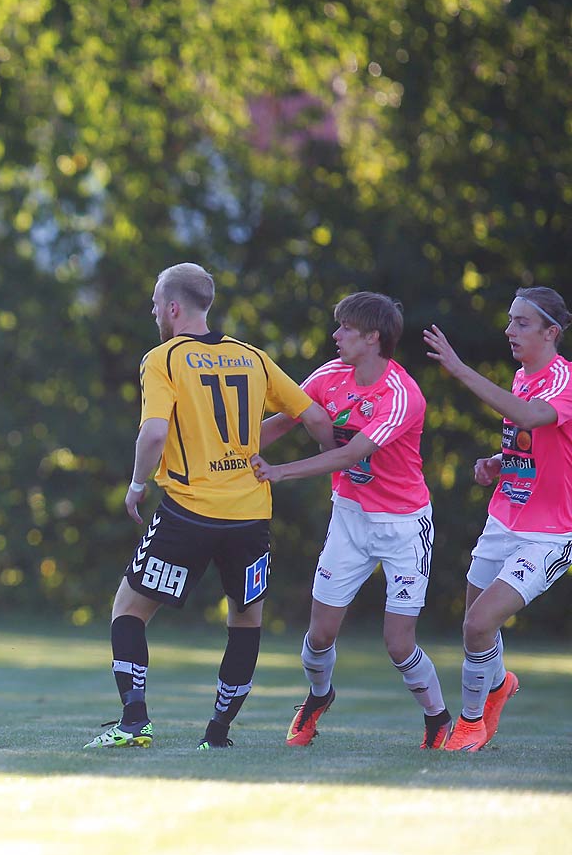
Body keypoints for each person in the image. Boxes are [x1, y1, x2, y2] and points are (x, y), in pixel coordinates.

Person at [86, 262, 334, 750]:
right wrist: (330, 469)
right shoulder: (253, 358)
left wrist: (136, 485)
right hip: (250, 515)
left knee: (129, 609)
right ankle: (217, 736)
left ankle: (134, 723)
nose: (154, 311)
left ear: (173, 307)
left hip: (188, 511)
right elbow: (315, 417)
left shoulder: (164, 359)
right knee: (245, 619)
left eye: (156, 303)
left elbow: (155, 431)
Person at [253, 292, 451, 749]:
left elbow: (350, 453)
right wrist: (227, 451)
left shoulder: (402, 395)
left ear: (372, 338)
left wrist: (280, 471)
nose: (335, 335)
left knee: (398, 644)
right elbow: (285, 420)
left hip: (403, 527)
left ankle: (438, 718)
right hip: (350, 517)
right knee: (320, 633)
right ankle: (318, 698)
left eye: (345, 328)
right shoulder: (330, 374)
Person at [421, 287, 572, 752]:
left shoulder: (562, 380)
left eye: (522, 323)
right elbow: (533, 442)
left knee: (477, 624)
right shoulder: (522, 377)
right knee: (475, 622)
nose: (509, 330)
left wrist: (460, 368)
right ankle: (498, 684)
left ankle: (469, 725)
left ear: (552, 332)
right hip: (503, 519)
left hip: (547, 535)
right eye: (510, 320)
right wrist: (498, 462)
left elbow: (529, 415)